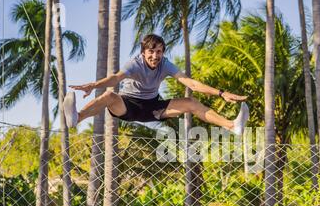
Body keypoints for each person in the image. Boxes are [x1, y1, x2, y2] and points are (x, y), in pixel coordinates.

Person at [64, 34, 249, 135]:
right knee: (109, 96)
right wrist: (94, 85)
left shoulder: (165, 64)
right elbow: (115, 79)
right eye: (151, 51)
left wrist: (221, 93)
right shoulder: (134, 63)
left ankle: (232, 126)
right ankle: (77, 118)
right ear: (143, 52)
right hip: (128, 105)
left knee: (190, 103)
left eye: (159, 52)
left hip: (153, 107)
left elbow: (191, 83)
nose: (155, 56)